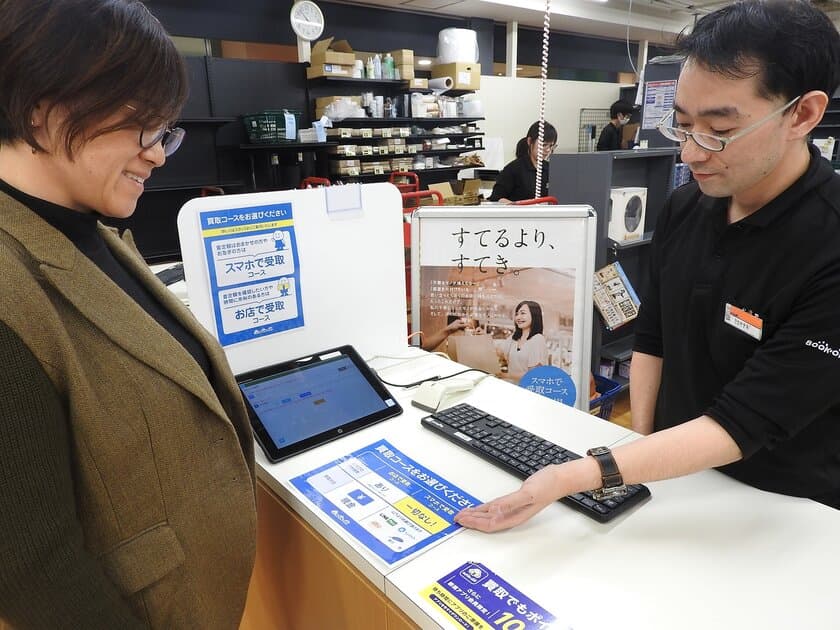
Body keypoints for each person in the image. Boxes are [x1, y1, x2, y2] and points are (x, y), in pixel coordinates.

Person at [456, 0, 840, 532]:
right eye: (682, 126)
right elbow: (653, 338)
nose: (690, 154)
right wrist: (638, 448)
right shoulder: (687, 207)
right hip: (671, 476)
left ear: (802, 114)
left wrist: (576, 475)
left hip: (784, 509)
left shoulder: (828, 243)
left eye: (717, 130)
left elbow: (748, 421)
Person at [0, 1, 256, 627]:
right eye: (144, 127)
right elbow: (30, 568)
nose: (159, 154)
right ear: (45, 107)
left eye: (167, 131)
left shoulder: (90, 230)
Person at [488, 121, 557, 203]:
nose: (548, 150)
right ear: (530, 141)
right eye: (544, 145)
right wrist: (517, 206)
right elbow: (495, 198)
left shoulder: (551, 169)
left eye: (551, 146)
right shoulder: (513, 169)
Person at [495, 300, 548, 383]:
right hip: (512, 388)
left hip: (528, 391)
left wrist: (506, 375)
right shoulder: (514, 337)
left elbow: (533, 375)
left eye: (523, 313)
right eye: (517, 314)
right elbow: (499, 351)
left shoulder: (538, 339)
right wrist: (482, 336)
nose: (518, 317)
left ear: (534, 316)